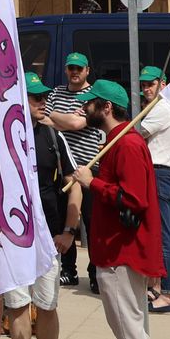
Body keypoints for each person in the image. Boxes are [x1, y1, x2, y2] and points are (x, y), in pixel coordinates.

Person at [70, 80, 162, 339]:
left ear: (107, 107)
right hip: (117, 250)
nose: (84, 108)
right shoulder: (119, 141)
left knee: (128, 330)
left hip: (121, 252)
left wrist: (92, 183)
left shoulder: (127, 144)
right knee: (131, 327)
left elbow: (134, 199)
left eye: (90, 103)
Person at [10, 72, 82, 339]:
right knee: (18, 306)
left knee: (47, 305)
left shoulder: (53, 135)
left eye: (45, 96)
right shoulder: (2, 137)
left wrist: (69, 231)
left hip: (49, 239)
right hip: (13, 240)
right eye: (36, 97)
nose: (43, 102)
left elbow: (74, 184)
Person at [44, 52, 105, 289]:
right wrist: (64, 119)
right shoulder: (56, 92)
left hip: (87, 168)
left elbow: (77, 123)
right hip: (62, 169)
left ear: (87, 70)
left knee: (92, 223)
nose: (75, 72)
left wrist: (54, 116)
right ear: (66, 69)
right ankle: (68, 270)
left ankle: (95, 274)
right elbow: (44, 121)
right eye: (71, 68)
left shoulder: (92, 96)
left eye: (79, 68)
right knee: (63, 221)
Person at [135, 65, 170, 314]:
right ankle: (163, 289)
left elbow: (135, 134)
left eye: (150, 84)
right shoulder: (162, 108)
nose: (146, 89)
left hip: (159, 173)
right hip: (160, 174)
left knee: (164, 237)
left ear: (163, 84)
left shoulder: (162, 108)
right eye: (143, 85)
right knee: (164, 236)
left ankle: (168, 293)